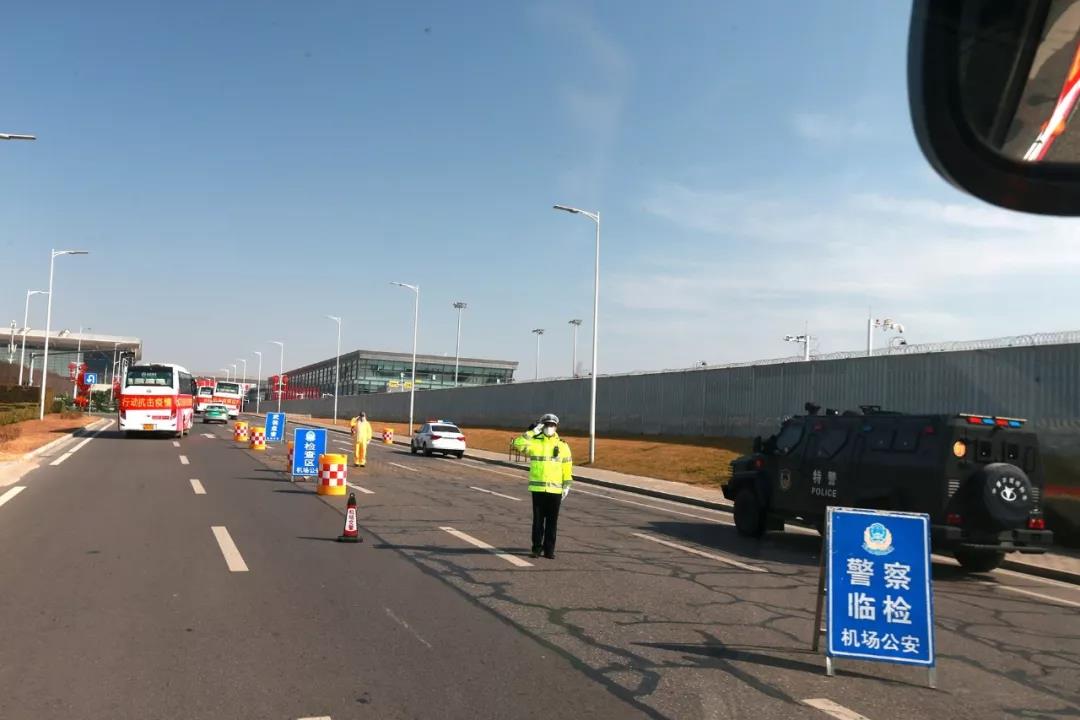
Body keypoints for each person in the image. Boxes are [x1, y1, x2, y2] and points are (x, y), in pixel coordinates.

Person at [512, 413, 573, 559]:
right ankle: (536, 549)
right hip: (538, 489)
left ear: (556, 427)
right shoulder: (534, 442)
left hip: (555, 489)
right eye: (546, 425)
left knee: (552, 522)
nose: (549, 427)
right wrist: (532, 432)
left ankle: (549, 550)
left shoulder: (563, 445)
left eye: (552, 425)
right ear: (542, 426)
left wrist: (567, 485)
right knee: (538, 522)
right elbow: (516, 444)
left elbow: (567, 466)